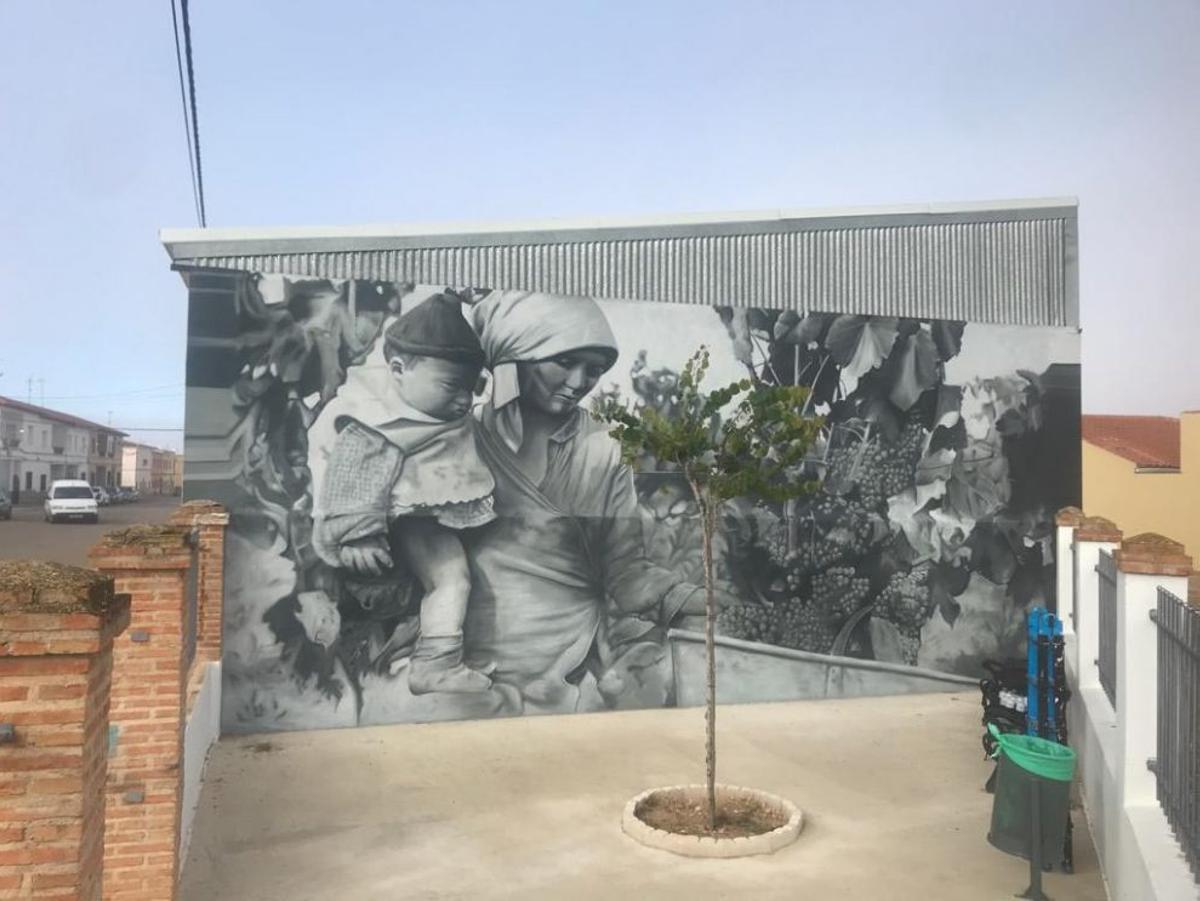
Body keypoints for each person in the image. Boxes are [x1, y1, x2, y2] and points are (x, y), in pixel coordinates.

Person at [462, 291, 719, 714]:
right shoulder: (462, 438)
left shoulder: (602, 450)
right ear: (518, 351)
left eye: (594, 370)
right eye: (565, 362)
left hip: (573, 660)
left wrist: (697, 600)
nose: (580, 381)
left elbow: (626, 570)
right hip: (469, 659)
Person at [307, 292, 496, 694]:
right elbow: (351, 476)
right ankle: (436, 664)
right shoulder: (375, 420)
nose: (465, 399)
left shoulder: (431, 412)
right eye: (451, 386)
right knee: (451, 580)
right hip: (393, 519)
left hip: (417, 515)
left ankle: (432, 659)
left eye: (471, 388)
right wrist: (357, 533)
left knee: (451, 581)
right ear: (398, 369)